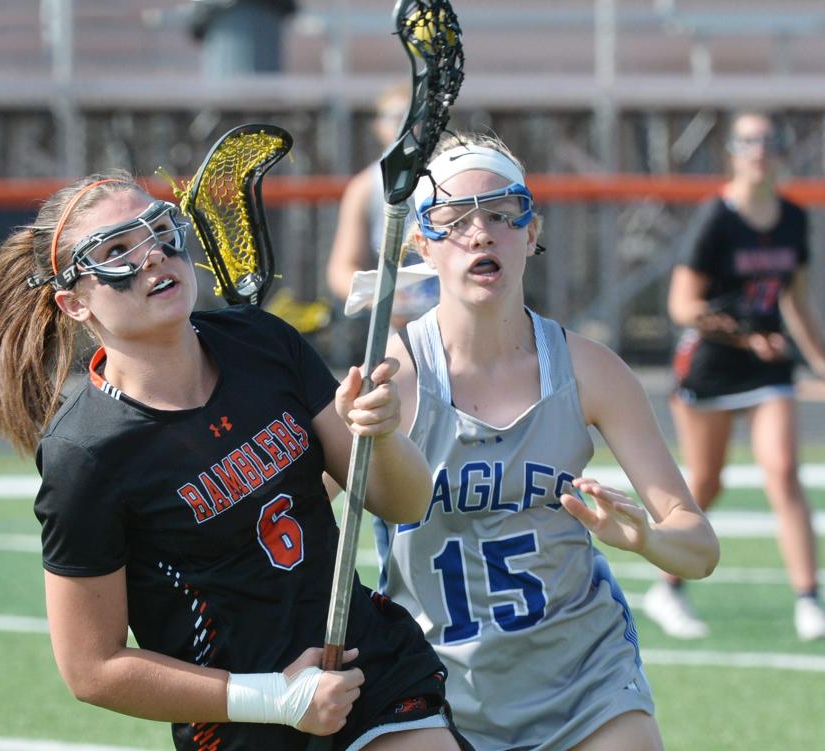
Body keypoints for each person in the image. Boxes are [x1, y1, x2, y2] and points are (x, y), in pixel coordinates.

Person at [0, 169, 472, 751]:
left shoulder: (262, 341)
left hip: (364, 664)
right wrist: (275, 699)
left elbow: (403, 502)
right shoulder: (86, 453)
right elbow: (92, 667)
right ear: (74, 302)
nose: (152, 255)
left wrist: (378, 437)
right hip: (242, 720)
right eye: (116, 251)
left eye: (158, 231)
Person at [375, 132, 720, 751]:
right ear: (422, 244)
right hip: (428, 687)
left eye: (503, 215)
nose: (480, 234)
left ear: (531, 234)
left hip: (583, 685)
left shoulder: (591, 370)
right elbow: (294, 525)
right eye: (453, 220)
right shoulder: (391, 382)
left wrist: (644, 537)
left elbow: (699, 549)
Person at [643, 110, 825, 642]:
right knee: (705, 482)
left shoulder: (793, 218)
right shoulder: (715, 219)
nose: (760, 150)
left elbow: (796, 300)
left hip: (767, 366)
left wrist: (818, 360)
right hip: (711, 363)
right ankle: (666, 587)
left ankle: (808, 598)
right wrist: (745, 335)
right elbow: (682, 306)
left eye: (769, 140)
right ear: (732, 152)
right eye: (748, 141)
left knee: (784, 471)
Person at [326, 83, 440, 338]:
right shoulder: (365, 188)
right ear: (378, 126)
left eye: (417, 118)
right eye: (398, 118)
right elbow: (341, 270)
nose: (409, 127)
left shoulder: (450, 180)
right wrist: (382, 296)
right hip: (398, 333)